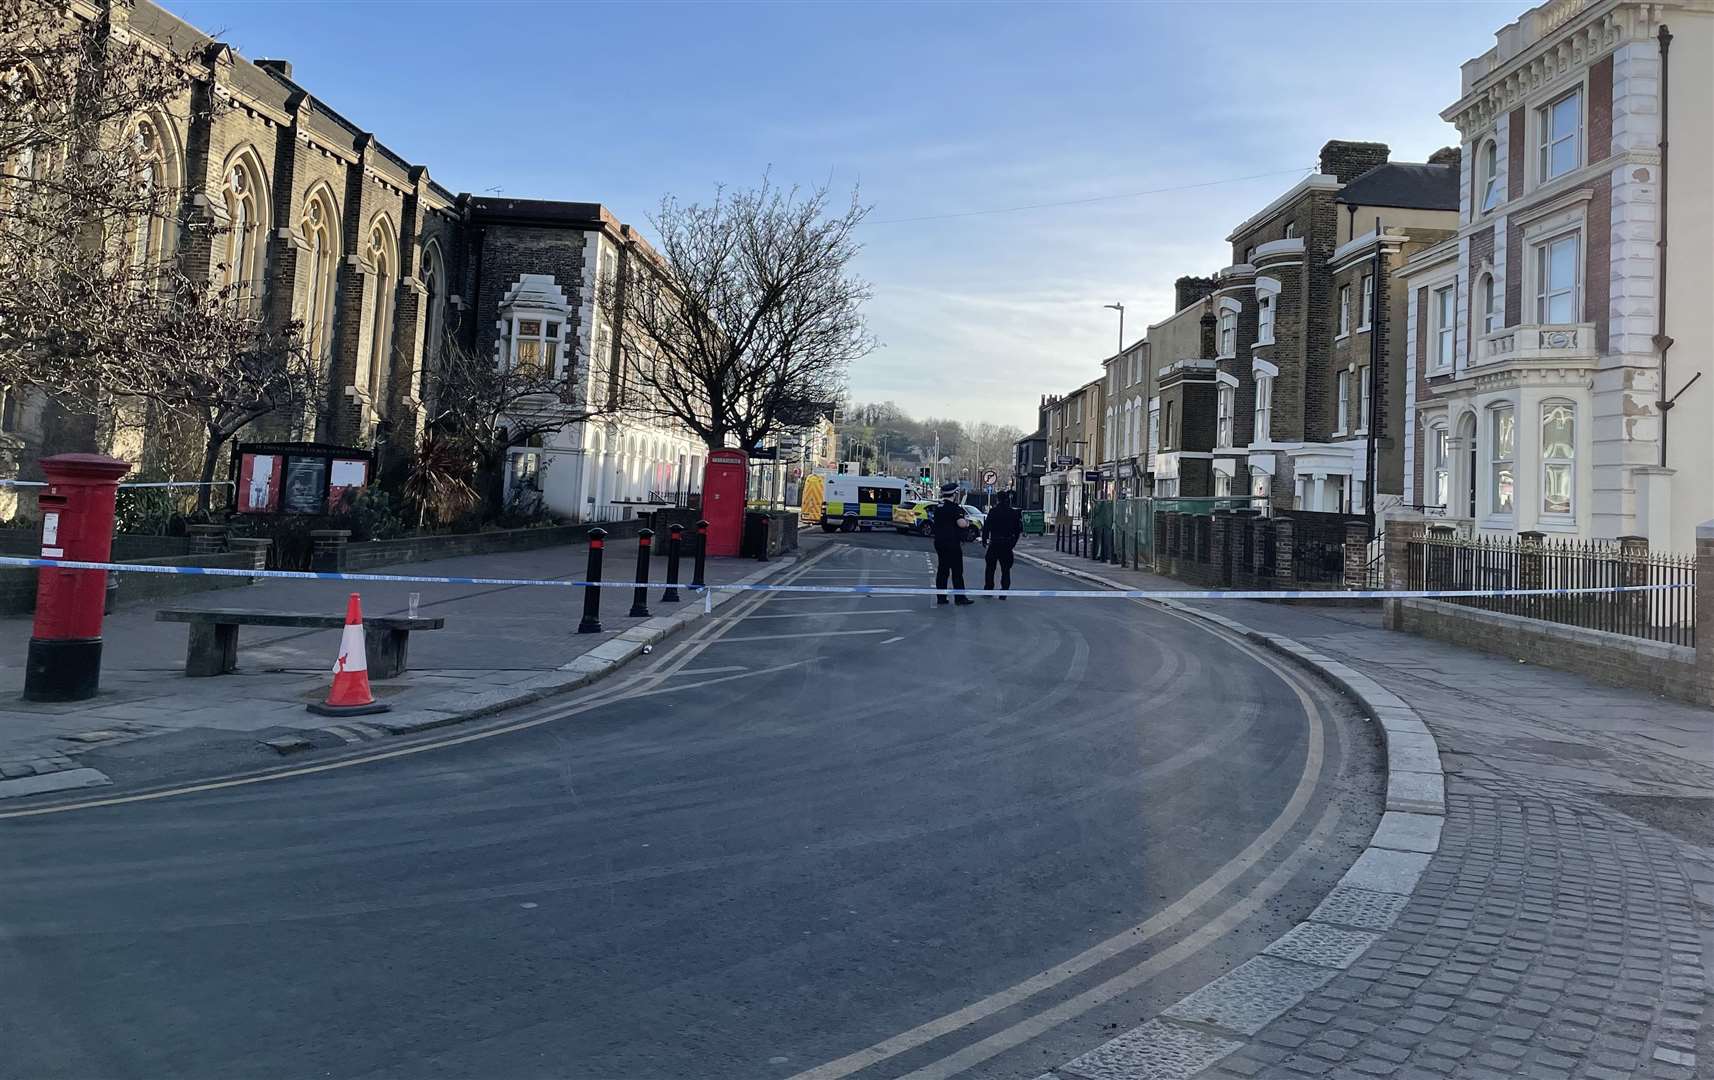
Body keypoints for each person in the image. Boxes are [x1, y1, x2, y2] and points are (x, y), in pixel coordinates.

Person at [929, 482, 974, 605]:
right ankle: (960, 598)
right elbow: (961, 524)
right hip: (952, 543)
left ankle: (941, 597)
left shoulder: (938, 507)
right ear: (954, 494)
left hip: (939, 542)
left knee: (942, 570)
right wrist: (967, 522)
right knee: (957, 571)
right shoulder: (955, 508)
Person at [981, 490, 1023, 598]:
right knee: (1006, 569)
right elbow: (1018, 530)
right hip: (1007, 543)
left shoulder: (993, 511)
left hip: (995, 542)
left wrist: (984, 539)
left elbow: (987, 526)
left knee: (990, 568)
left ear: (997, 499)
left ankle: (988, 590)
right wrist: (1013, 542)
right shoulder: (1012, 513)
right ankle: (1004, 591)